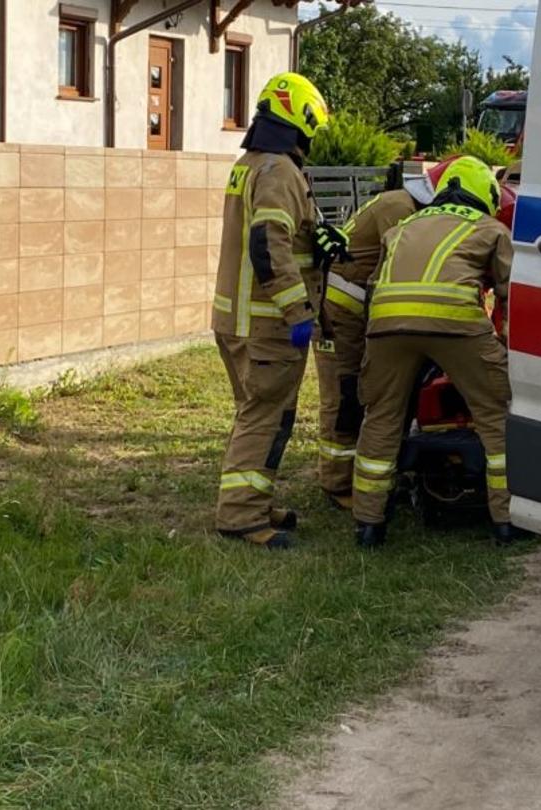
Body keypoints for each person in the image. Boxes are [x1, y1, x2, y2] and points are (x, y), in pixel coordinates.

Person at [352, 157, 516, 548]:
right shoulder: (490, 228)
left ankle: (368, 524)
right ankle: (506, 521)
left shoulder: (402, 227)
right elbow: (511, 293)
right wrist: (504, 345)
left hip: (387, 325)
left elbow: (375, 286)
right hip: (454, 322)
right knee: (495, 414)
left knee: (381, 417)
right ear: (486, 195)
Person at [213, 72, 334, 549]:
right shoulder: (279, 171)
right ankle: (241, 516)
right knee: (264, 417)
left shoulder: (249, 165)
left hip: (238, 320)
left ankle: (255, 503)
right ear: (299, 121)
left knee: (261, 415)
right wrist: (298, 312)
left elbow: (276, 235)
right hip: (268, 325)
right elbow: (268, 244)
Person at [313, 166, 433, 511]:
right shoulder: (400, 210)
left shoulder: (397, 202)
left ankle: (351, 475)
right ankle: (337, 482)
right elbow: (397, 265)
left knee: (356, 392)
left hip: (349, 312)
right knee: (342, 395)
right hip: (339, 314)